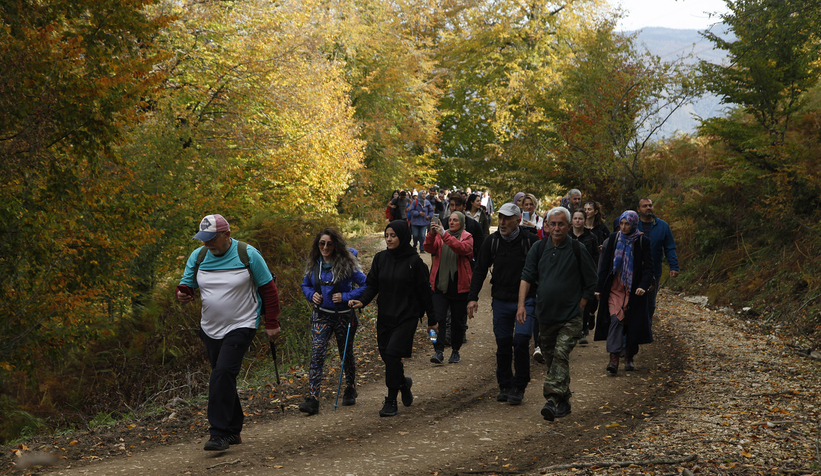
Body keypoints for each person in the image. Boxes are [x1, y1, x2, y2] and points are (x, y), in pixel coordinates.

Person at [176, 214, 281, 451]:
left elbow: (269, 290)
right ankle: (233, 430)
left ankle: (219, 433)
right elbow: (186, 285)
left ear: (227, 235)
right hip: (210, 328)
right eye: (204, 239)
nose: (207, 244)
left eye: (212, 239)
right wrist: (183, 294)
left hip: (242, 324)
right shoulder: (199, 256)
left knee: (222, 374)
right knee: (223, 377)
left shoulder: (248, 254)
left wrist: (271, 322)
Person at [517, 207, 597, 421]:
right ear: (547, 226)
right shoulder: (539, 247)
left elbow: (591, 282)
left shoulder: (577, 249)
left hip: (571, 317)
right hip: (546, 316)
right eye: (553, 224)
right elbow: (526, 276)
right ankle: (565, 401)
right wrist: (521, 305)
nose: (557, 228)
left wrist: (580, 307)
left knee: (561, 354)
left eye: (561, 224)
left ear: (569, 226)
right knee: (553, 361)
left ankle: (551, 400)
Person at [349, 221, 436, 417]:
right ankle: (403, 383)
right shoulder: (381, 259)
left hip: (407, 316)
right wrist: (361, 301)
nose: (389, 239)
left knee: (392, 355)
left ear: (403, 237)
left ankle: (390, 401)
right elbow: (372, 285)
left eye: (393, 235)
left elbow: (425, 294)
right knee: (388, 358)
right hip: (386, 316)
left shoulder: (415, 263)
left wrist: (432, 319)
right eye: (387, 235)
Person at [467, 203, 539, 405]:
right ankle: (505, 385)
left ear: (518, 220)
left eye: (507, 219)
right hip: (501, 300)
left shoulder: (530, 241)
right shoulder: (492, 241)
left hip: (527, 300)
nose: (502, 222)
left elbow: (541, 270)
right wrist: (473, 297)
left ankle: (519, 385)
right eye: (500, 218)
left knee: (522, 341)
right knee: (504, 343)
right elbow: (480, 269)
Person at [298, 228, 367, 415]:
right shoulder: (314, 264)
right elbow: (305, 285)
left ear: (335, 244)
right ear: (317, 245)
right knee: (317, 353)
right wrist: (311, 295)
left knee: (346, 353)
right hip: (321, 315)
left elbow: (366, 284)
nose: (325, 247)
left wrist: (346, 296)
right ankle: (313, 398)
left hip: (344, 315)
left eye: (329, 243)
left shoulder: (347, 264)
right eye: (322, 243)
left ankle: (350, 387)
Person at [594, 211, 653, 373]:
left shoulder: (642, 241)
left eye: (627, 224)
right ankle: (614, 358)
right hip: (614, 287)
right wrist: (599, 288)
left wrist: (643, 285)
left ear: (634, 224)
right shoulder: (613, 239)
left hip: (633, 289)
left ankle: (629, 355)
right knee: (615, 319)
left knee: (630, 321)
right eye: (622, 223)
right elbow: (605, 266)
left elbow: (648, 268)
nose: (624, 227)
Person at [424, 211, 474, 364]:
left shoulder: (467, 237)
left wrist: (444, 234)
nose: (451, 222)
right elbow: (428, 248)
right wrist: (432, 234)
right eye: (450, 220)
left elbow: (461, 248)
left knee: (457, 322)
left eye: (455, 220)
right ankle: (437, 350)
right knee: (434, 321)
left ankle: (455, 350)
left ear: (461, 223)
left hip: (459, 287)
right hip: (439, 286)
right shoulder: (439, 235)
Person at [637, 198, 680, 320]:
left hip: (654, 270)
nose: (648, 208)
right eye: (644, 206)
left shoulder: (662, 226)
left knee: (650, 302)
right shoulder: (633, 225)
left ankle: (647, 327)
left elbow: (669, 248)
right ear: (638, 209)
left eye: (650, 205)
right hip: (634, 269)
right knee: (634, 299)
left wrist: (674, 266)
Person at [569, 209, 600, 344]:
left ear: (584, 220)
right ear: (571, 220)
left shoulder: (591, 237)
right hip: (570, 273)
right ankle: (571, 329)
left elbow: (595, 257)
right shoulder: (567, 235)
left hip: (586, 273)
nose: (577, 221)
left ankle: (582, 329)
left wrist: (595, 273)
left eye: (580, 218)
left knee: (586, 300)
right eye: (575, 218)